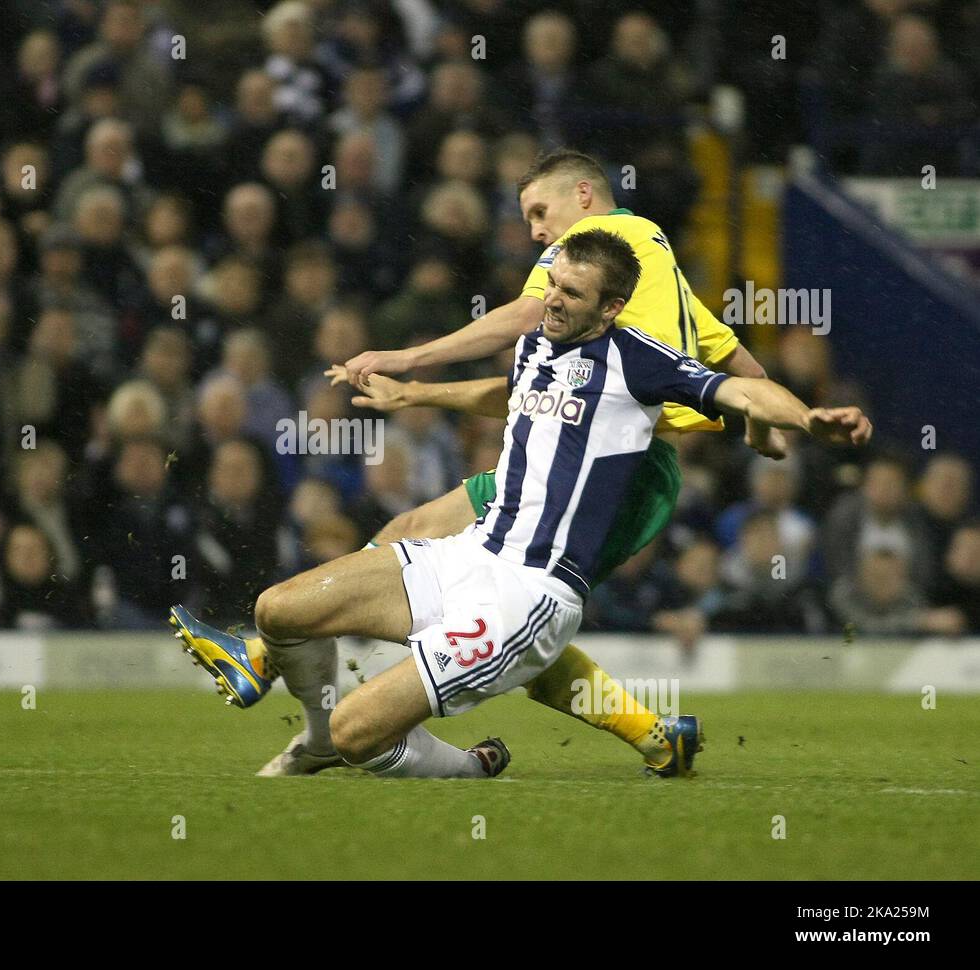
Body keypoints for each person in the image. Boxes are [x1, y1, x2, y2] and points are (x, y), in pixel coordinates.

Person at [171, 229, 871, 779]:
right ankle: (316, 735)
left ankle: (463, 768)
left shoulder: (639, 361)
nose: (554, 298)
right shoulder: (540, 340)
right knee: (277, 610)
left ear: (612, 307)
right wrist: (416, 394)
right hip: (470, 555)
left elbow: (742, 391)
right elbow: (507, 394)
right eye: (553, 282)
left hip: (528, 595)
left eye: (572, 291)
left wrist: (808, 419)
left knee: (363, 734)